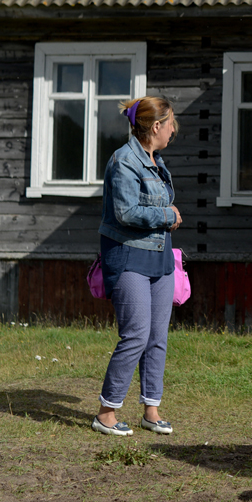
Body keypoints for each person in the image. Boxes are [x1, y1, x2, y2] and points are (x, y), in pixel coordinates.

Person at [92, 96, 182, 436]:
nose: (173, 130)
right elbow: (126, 212)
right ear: (156, 126)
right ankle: (106, 412)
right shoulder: (124, 161)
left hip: (160, 257)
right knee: (136, 335)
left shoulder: (156, 161)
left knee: (157, 337)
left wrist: (166, 216)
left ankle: (151, 410)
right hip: (129, 256)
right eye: (170, 123)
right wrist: (167, 215)